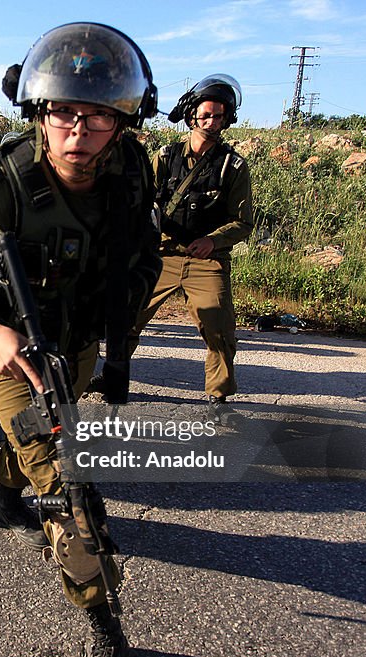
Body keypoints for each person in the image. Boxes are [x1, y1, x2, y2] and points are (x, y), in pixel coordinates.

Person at [0, 23, 162, 657]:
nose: (79, 134)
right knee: (68, 481)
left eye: (98, 117)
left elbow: (140, 260)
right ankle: (103, 616)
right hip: (10, 351)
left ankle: (4, 490)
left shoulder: (131, 177)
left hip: (74, 345)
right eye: (64, 114)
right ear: (38, 114)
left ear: (124, 122)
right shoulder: (4, 193)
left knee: (32, 433)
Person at [130, 74, 253, 425]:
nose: (213, 122)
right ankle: (114, 374)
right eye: (207, 115)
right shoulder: (166, 157)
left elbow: (243, 221)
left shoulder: (234, 166)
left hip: (206, 259)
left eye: (220, 116)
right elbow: (143, 201)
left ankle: (219, 396)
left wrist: (213, 241)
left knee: (217, 322)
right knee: (126, 315)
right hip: (162, 254)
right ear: (192, 115)